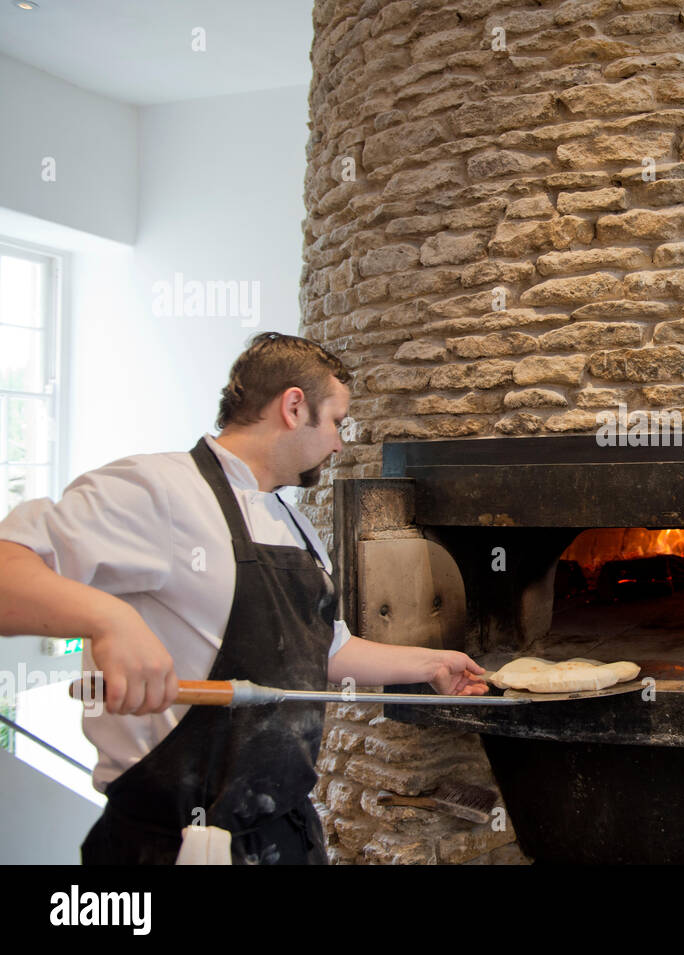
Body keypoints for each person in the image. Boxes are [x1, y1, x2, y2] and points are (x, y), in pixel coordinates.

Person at [0, 332, 487, 864]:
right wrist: (108, 619)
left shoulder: (291, 521)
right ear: (293, 406)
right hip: (171, 844)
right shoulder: (156, 489)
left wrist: (430, 664)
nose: (339, 445)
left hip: (283, 833)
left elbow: (322, 651)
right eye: (336, 423)